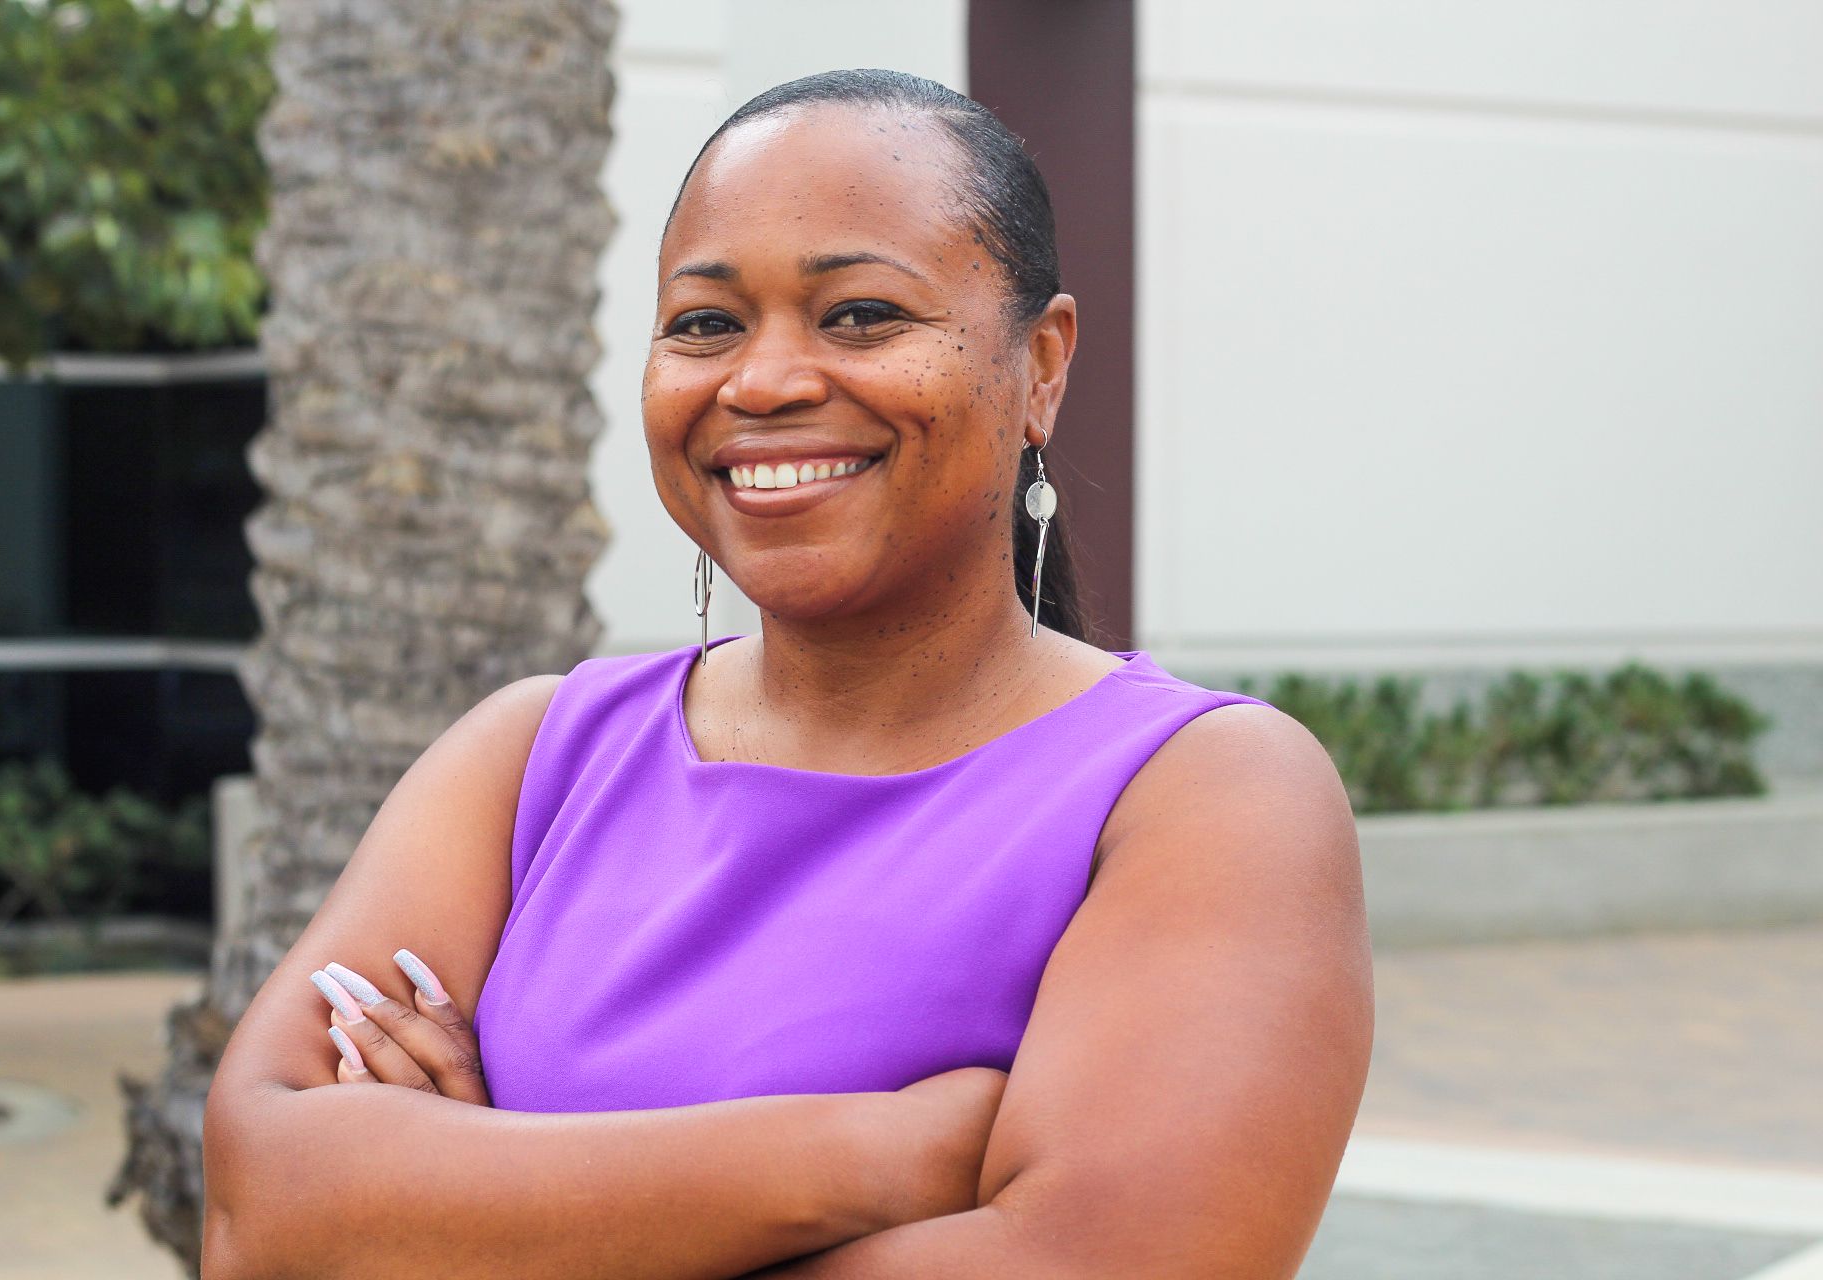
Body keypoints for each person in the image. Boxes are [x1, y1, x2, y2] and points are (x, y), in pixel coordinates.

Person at [201, 69, 1371, 1280]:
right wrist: (878, 1155)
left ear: (1043, 367)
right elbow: (260, 1214)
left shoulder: (1203, 795)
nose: (761, 382)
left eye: (861, 314)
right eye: (704, 322)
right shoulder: (533, 757)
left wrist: (460, 1205)